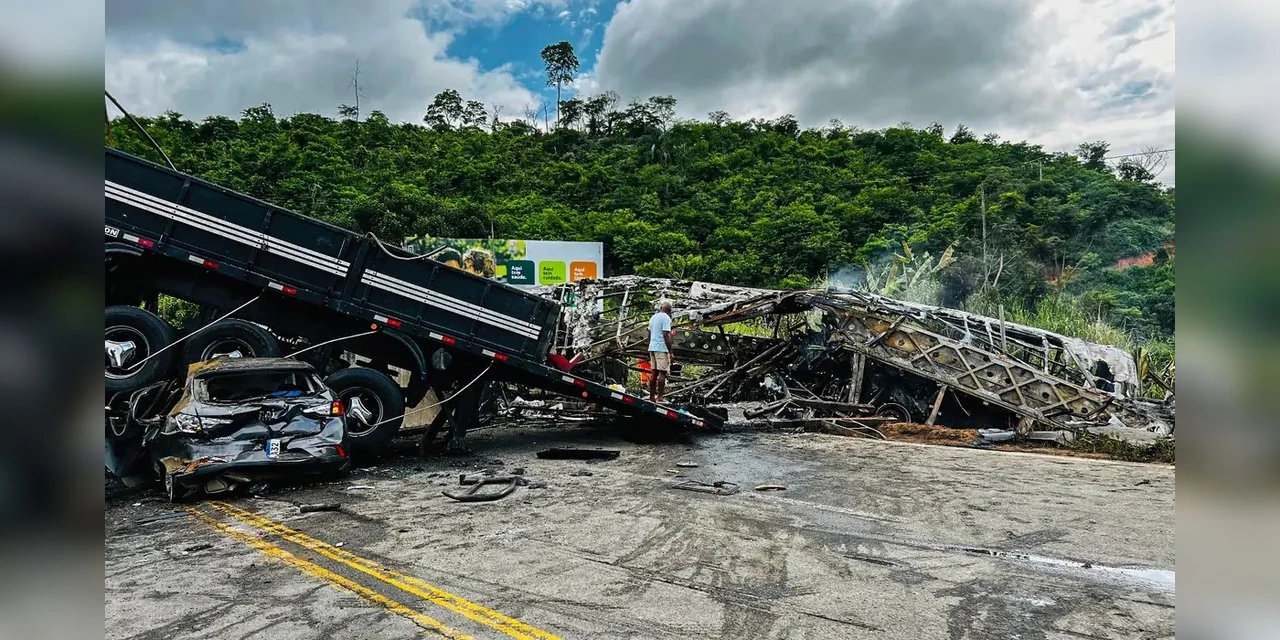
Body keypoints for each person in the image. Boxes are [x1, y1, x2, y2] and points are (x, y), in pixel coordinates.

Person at [647, 301, 675, 403]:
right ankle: (660, 397)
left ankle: (651, 397)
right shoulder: (666, 318)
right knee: (662, 373)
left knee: (654, 373)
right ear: (669, 310)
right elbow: (666, 335)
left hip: (652, 347)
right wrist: (670, 352)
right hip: (661, 348)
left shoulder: (653, 318)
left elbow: (649, 334)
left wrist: (650, 345)